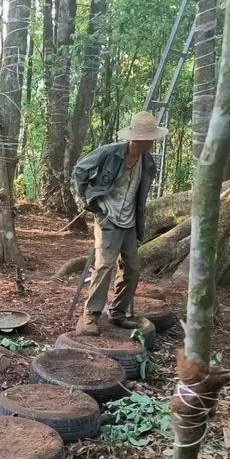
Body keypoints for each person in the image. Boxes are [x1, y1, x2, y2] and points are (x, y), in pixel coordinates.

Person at [72, 111, 167, 337]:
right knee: (105, 266)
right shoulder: (111, 153)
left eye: (152, 139)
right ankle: (90, 315)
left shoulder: (148, 162)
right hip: (108, 217)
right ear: (136, 139)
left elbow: (140, 195)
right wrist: (89, 201)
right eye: (148, 140)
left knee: (132, 268)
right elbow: (80, 170)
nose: (151, 144)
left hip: (130, 222)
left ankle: (118, 312)